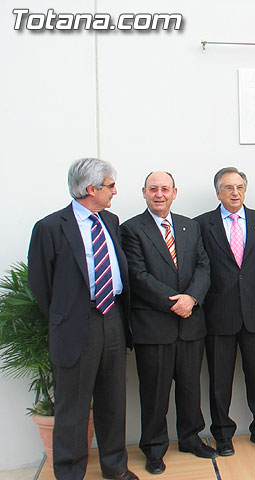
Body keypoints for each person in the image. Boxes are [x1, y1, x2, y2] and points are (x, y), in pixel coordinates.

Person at [27, 158, 139, 480]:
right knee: (73, 407)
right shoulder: (50, 227)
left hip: (113, 318)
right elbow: (42, 285)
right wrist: (69, 317)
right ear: (91, 189)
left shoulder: (111, 221)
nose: (115, 192)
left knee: (113, 402)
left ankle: (115, 469)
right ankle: (69, 473)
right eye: (110, 185)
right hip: (77, 324)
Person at [121, 172, 215, 475]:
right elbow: (137, 275)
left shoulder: (190, 226)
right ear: (144, 193)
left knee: (190, 389)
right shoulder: (131, 229)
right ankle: (153, 448)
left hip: (190, 324)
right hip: (154, 327)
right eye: (153, 189)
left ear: (175, 192)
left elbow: (204, 266)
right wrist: (176, 302)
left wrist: (192, 299)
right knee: (155, 393)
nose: (159, 194)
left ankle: (190, 438)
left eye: (165, 189)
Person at [194, 167, 255, 456]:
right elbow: (200, 268)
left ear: (245, 190)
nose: (234, 193)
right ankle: (222, 434)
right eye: (228, 187)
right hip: (218, 314)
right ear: (218, 192)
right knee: (219, 381)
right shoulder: (201, 224)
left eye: (240, 187)